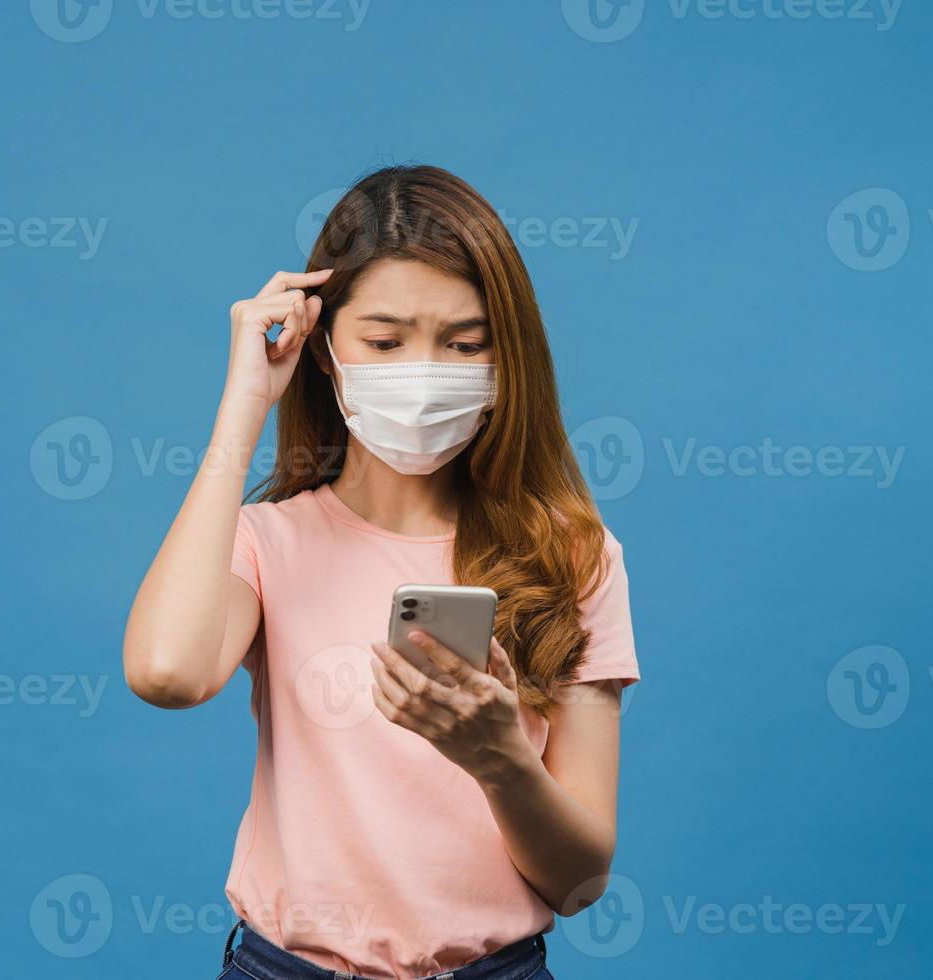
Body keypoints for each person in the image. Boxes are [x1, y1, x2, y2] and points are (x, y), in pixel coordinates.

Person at [123, 165, 640, 980]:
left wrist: (498, 756)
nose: (425, 372)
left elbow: (580, 883)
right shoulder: (266, 543)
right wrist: (244, 400)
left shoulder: (572, 558)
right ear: (325, 348)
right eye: (385, 341)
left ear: (507, 360)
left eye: (465, 344)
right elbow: (165, 672)